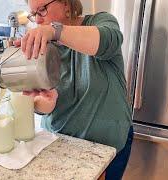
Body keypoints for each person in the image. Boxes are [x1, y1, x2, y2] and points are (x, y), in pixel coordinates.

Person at [15, 0, 133, 179]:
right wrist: (48, 101)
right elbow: (40, 105)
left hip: (107, 150)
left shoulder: (100, 22)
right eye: (33, 13)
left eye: (42, 10)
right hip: (61, 147)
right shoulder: (43, 46)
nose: (38, 20)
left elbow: (109, 40)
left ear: (65, 4)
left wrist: (56, 30)